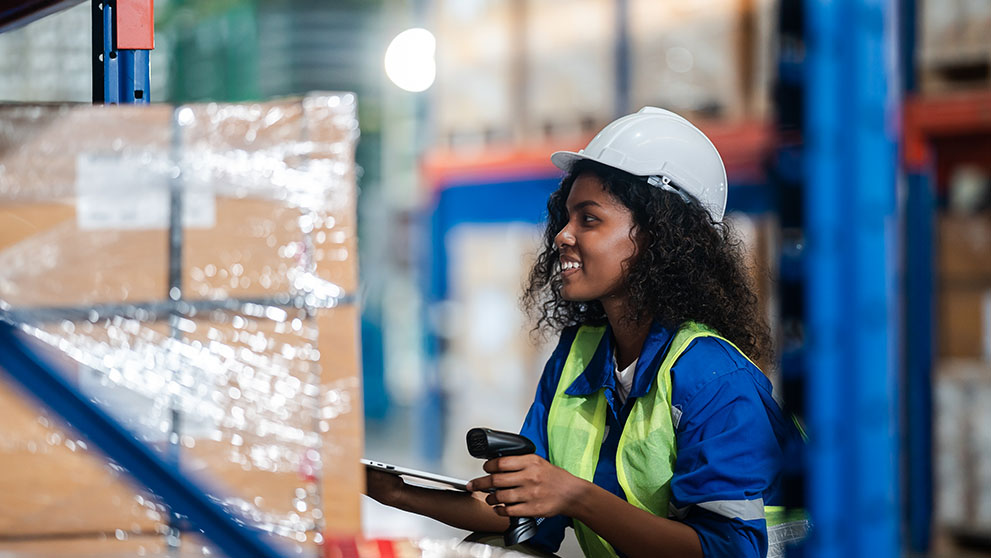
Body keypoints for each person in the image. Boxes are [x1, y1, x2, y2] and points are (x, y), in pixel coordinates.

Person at [365, 107, 807, 558]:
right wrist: (395, 492)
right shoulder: (580, 355)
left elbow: (726, 551)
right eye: (566, 217)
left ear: (659, 236)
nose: (561, 235)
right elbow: (529, 510)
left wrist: (575, 495)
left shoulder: (715, 379)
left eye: (588, 219)